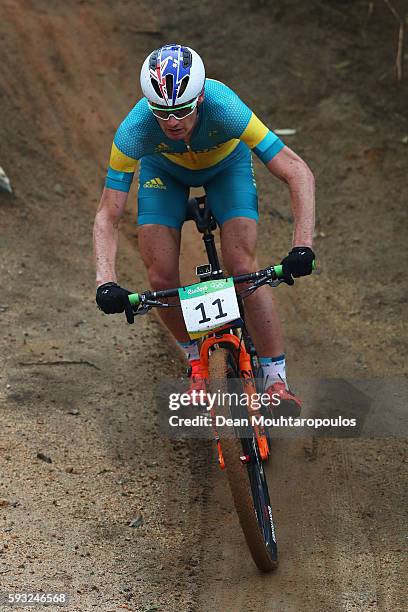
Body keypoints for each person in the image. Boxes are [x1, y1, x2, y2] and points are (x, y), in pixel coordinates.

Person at [93, 44, 315, 416]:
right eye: (161, 112)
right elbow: (107, 214)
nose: (172, 121)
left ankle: (276, 379)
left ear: (199, 98)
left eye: (181, 109)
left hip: (226, 166)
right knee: (161, 278)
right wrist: (106, 282)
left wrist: (303, 246)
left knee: (244, 270)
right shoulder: (134, 131)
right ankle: (195, 360)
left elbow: (297, 172)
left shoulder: (225, 106)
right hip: (164, 174)